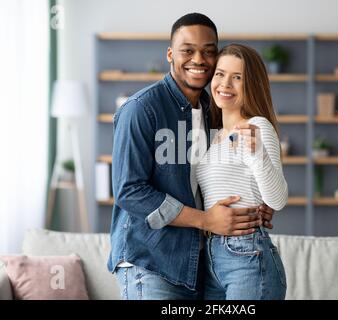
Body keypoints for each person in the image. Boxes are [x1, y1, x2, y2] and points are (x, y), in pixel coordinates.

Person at [107, 13, 276, 300]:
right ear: (171, 54)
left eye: (209, 51)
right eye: (188, 50)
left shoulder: (215, 111)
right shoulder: (141, 109)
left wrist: (257, 200)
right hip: (150, 262)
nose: (199, 59)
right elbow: (129, 190)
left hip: (197, 265)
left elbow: (216, 176)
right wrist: (204, 220)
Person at [196, 44, 288, 300]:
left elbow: (277, 199)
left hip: (247, 255)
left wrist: (256, 153)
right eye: (220, 74)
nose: (225, 84)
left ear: (252, 85)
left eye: (238, 78)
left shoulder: (257, 126)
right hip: (211, 258)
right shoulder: (212, 134)